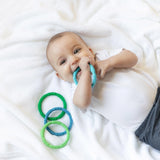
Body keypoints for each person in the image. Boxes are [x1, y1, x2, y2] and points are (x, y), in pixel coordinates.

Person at [46, 31, 160, 151]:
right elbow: (81, 103)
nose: (74, 59)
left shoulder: (102, 57)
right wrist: (85, 73)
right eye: (63, 61)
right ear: (61, 77)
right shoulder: (79, 88)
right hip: (149, 127)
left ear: (90, 51)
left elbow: (132, 58)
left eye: (76, 51)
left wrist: (110, 63)